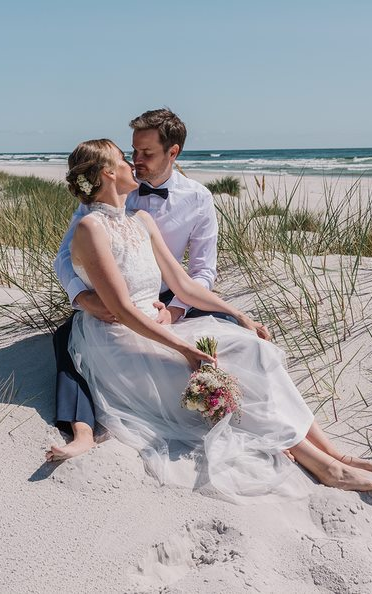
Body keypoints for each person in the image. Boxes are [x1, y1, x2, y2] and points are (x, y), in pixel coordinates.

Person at [49, 138, 372, 502]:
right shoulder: (90, 228)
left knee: (255, 350)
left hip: (160, 326)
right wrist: (185, 348)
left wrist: (238, 314)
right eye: (124, 159)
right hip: (118, 339)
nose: (132, 164)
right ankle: (325, 467)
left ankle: (333, 451)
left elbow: (184, 284)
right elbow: (121, 310)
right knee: (221, 375)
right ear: (108, 172)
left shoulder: (142, 220)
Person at [50, 108, 229, 460]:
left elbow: (203, 271)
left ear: (172, 152)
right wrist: (84, 298)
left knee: (231, 329)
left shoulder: (197, 198)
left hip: (173, 295)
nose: (137, 161)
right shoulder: (114, 190)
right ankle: (82, 425)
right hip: (115, 298)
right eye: (132, 152)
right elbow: (62, 258)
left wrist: (175, 310)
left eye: (147, 154)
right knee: (66, 342)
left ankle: (228, 407)